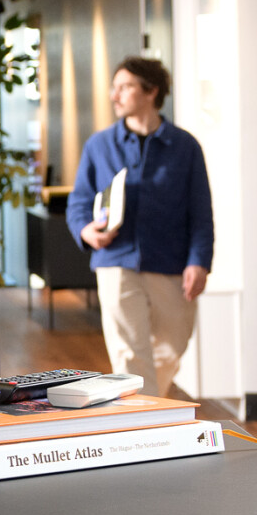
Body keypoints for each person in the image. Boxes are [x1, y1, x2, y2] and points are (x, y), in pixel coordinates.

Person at [65, 57, 213, 399]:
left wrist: (199, 261)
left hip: (172, 263)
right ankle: (143, 428)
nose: (114, 96)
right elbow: (78, 203)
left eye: (124, 87)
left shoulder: (185, 147)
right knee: (129, 353)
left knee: (172, 347)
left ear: (151, 91)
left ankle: (148, 406)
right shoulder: (99, 145)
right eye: (113, 88)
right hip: (116, 261)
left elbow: (201, 212)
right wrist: (87, 232)